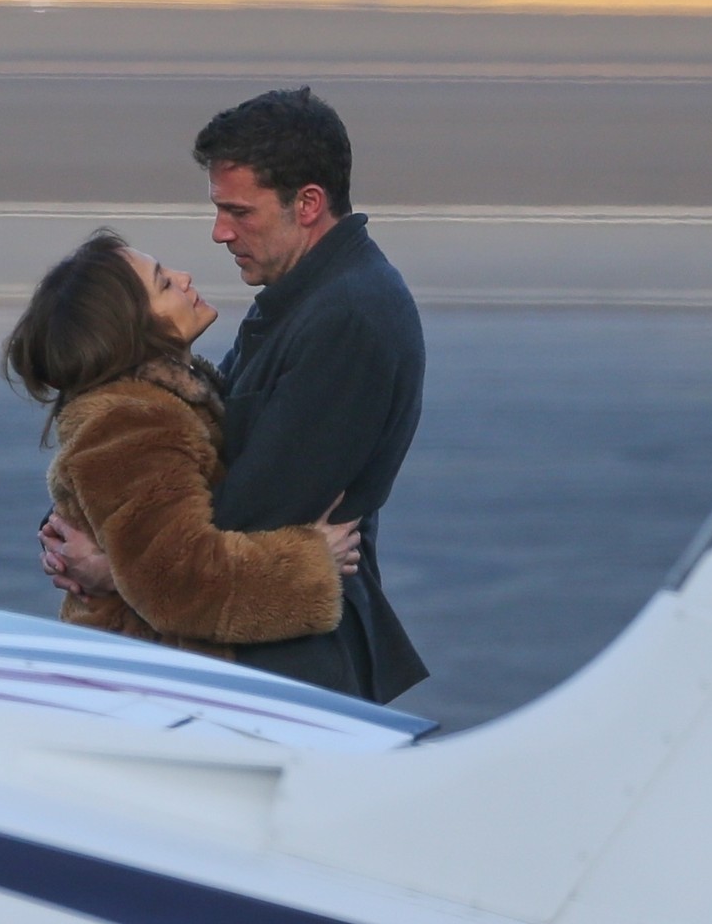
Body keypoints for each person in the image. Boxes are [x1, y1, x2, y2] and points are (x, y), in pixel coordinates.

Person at [43, 87, 428, 702]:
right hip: (246, 654)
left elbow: (248, 517)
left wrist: (111, 566)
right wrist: (92, 513)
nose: (220, 233)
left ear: (307, 204)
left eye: (239, 212)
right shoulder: (299, 298)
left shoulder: (347, 317)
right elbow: (191, 469)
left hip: (284, 674)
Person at [5, 230, 363, 659]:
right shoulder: (132, 421)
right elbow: (177, 583)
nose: (184, 277)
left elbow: (143, 549)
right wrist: (310, 562)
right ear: (132, 329)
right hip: (149, 681)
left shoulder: (167, 400)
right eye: (163, 283)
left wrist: (112, 569)